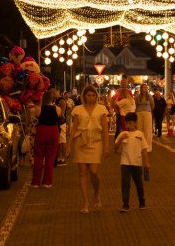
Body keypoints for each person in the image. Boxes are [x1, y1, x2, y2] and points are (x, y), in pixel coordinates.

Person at [71, 85, 110, 213]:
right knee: (82, 172)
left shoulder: (101, 109)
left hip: (96, 142)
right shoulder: (77, 109)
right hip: (81, 142)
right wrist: (68, 144)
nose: (91, 97)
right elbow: (74, 128)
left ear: (96, 96)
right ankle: (85, 202)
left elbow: (105, 129)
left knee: (94, 171)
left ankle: (96, 192)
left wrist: (106, 146)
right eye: (88, 95)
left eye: (93, 95)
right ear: (84, 96)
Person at [114, 112, 150, 212]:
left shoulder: (140, 134)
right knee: (125, 184)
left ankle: (142, 201)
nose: (128, 125)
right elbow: (115, 149)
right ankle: (125, 204)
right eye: (127, 123)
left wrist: (146, 163)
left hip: (137, 163)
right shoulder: (122, 134)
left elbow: (144, 149)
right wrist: (121, 139)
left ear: (135, 123)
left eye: (130, 123)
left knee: (139, 184)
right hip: (125, 163)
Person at [31, 89, 63, 187]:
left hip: (42, 130)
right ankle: (47, 182)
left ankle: (35, 182)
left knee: (39, 156)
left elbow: (36, 117)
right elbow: (59, 118)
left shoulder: (38, 108)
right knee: (50, 157)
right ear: (53, 98)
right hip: (53, 131)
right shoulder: (57, 109)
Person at [135, 83, 154, 153]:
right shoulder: (137, 97)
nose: (144, 89)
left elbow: (152, 105)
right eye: (143, 87)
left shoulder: (149, 96)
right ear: (141, 89)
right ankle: (139, 146)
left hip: (147, 112)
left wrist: (148, 110)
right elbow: (136, 105)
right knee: (139, 129)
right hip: (139, 113)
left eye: (146, 88)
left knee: (147, 130)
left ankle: (148, 147)